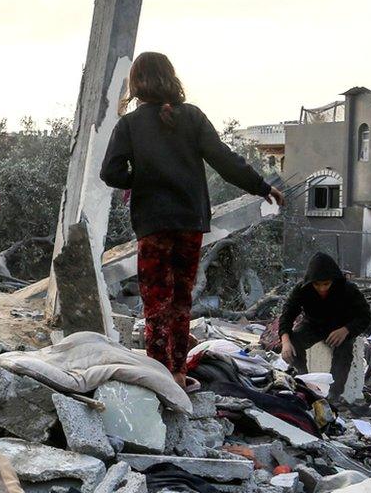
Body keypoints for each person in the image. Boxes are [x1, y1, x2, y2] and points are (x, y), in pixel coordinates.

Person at [100, 51, 284, 390]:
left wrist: (139, 178)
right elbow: (225, 161)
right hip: (189, 220)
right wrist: (262, 187)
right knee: (181, 299)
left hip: (153, 222)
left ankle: (159, 375)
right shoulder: (193, 117)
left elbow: (110, 172)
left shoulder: (130, 125)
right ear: (170, 78)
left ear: (136, 85)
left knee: (156, 300)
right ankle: (179, 372)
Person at [278, 252, 371, 403]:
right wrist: (285, 341)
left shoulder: (348, 289)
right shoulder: (302, 289)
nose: (321, 289)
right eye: (317, 285)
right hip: (313, 325)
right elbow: (287, 315)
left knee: (344, 351)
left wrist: (346, 329)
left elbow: (364, 316)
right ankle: (304, 381)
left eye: (326, 284)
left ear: (333, 280)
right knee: (294, 343)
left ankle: (334, 394)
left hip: (341, 327)